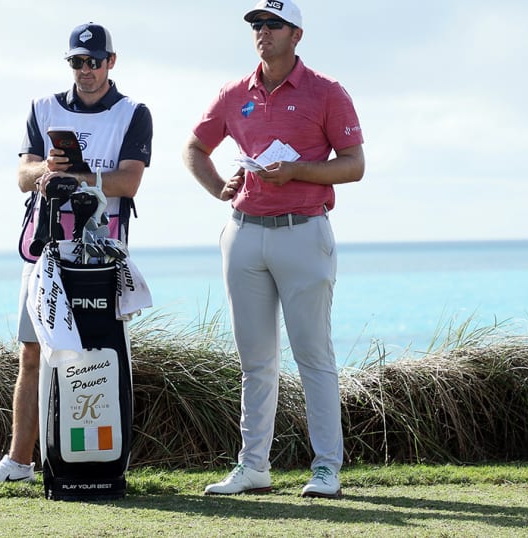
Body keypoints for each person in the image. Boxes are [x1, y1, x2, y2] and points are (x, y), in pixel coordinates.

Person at [182, 0, 365, 498]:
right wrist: (219, 186)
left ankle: (326, 469)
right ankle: (253, 468)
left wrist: (298, 170)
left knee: (313, 357)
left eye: (273, 24)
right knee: (255, 361)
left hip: (304, 231)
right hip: (243, 233)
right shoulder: (233, 93)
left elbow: (353, 165)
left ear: (296, 34)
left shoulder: (326, 92)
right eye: (257, 25)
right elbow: (194, 149)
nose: (263, 32)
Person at [0, 21, 152, 485]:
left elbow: (128, 182)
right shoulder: (43, 107)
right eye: (77, 62)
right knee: (32, 354)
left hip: (101, 253)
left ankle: (100, 461)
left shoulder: (134, 112)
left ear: (112, 62)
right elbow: (22, 173)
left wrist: (81, 179)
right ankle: (19, 462)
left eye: (93, 61)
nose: (85, 70)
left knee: (101, 353)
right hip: (45, 248)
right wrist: (47, 171)